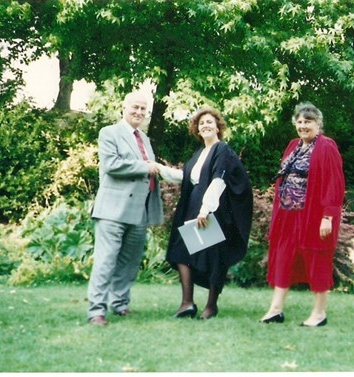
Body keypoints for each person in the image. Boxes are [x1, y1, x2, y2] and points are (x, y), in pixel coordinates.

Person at [158, 107, 253, 320]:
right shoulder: (199, 154)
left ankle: (211, 306)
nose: (205, 126)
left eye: (209, 122)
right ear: (197, 130)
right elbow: (186, 177)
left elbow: (219, 180)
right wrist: (159, 169)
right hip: (192, 208)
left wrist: (205, 209)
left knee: (213, 256)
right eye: (201, 124)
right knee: (180, 251)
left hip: (212, 210)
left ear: (218, 127)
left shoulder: (223, 150)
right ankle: (187, 303)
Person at [260, 102, 345, 327]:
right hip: (288, 215)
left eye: (308, 121)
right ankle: (276, 309)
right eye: (299, 122)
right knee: (283, 257)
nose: (303, 125)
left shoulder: (327, 146)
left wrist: (328, 217)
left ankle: (319, 313)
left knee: (317, 259)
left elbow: (334, 184)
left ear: (318, 124)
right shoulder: (292, 146)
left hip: (313, 216)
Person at [87, 91, 164, 326]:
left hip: (139, 210)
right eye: (135, 107)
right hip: (112, 210)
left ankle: (119, 303)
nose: (139, 112)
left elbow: (149, 172)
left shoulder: (145, 139)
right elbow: (112, 165)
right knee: (106, 261)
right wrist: (147, 166)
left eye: (143, 109)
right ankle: (96, 311)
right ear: (124, 107)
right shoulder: (109, 133)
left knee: (130, 262)